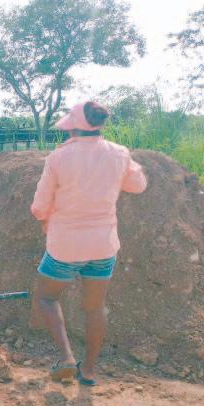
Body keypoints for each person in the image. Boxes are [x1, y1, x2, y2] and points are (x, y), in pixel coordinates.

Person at [31, 102, 147, 385]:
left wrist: (45, 219)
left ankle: (66, 357)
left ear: (73, 126)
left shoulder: (58, 157)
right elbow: (138, 186)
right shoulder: (119, 153)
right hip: (103, 246)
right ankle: (90, 370)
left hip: (65, 246)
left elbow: (39, 206)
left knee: (46, 298)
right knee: (95, 307)